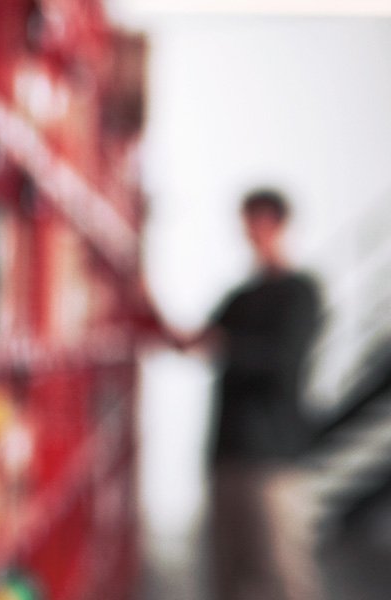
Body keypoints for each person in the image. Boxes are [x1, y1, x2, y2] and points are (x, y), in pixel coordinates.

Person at [140, 188, 326, 600]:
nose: (249, 232)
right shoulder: (241, 297)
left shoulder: (300, 292)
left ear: (278, 223)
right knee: (228, 576)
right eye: (246, 222)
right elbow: (196, 341)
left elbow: (281, 359)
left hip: (273, 462)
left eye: (256, 221)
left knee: (281, 577)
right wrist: (145, 293)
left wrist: (220, 344)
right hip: (228, 455)